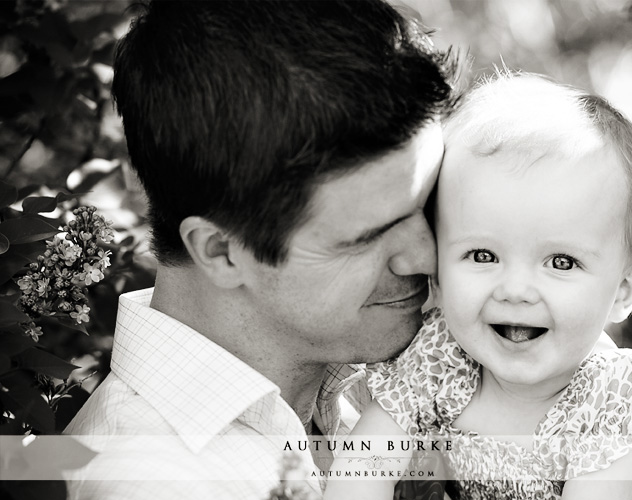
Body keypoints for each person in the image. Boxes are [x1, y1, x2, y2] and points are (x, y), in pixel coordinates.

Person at [63, 1, 457, 499]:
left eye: (429, 205)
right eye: (367, 237)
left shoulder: (368, 388)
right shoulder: (158, 482)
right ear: (222, 252)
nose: (426, 257)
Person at [324, 72, 632, 500]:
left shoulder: (616, 399)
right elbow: (358, 474)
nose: (515, 290)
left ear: (622, 290)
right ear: (437, 267)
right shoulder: (439, 358)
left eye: (561, 262)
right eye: (483, 256)